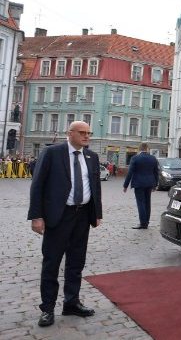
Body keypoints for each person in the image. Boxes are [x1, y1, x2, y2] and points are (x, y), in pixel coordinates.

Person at [27, 121, 103, 327]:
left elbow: (95, 186)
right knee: (52, 263)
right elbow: (38, 184)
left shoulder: (91, 157)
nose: (87, 137)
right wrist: (36, 216)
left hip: (82, 216)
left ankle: (71, 302)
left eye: (89, 133)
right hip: (58, 216)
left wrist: (97, 213)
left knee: (76, 262)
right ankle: (47, 308)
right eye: (82, 133)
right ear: (70, 134)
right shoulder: (53, 153)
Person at [122, 143, 160, 229]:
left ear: (139, 149)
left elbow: (130, 172)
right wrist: (156, 184)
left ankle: (143, 223)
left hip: (138, 184)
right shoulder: (153, 158)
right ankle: (146, 222)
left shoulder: (135, 158)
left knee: (141, 203)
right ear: (147, 149)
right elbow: (156, 173)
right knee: (147, 203)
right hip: (150, 184)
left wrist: (125, 185)